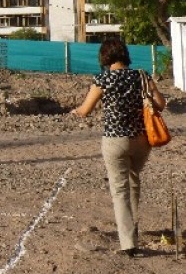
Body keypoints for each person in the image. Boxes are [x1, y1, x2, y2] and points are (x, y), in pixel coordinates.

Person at [71, 37, 166, 257]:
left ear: (105, 57)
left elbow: (85, 110)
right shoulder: (141, 76)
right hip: (141, 141)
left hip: (115, 140)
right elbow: (160, 104)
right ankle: (133, 227)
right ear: (125, 55)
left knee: (120, 190)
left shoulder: (103, 79)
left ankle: (128, 243)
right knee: (133, 182)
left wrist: (75, 112)